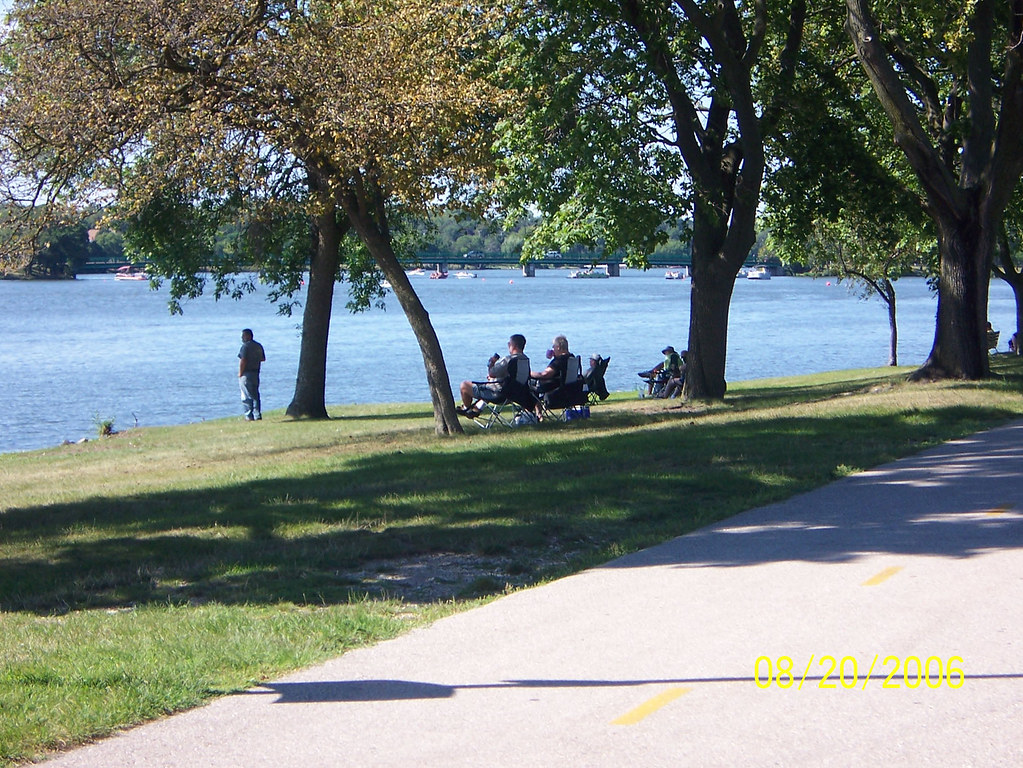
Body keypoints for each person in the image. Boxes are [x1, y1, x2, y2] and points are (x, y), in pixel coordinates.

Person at [456, 333, 530, 418]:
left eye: (509, 343)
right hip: (517, 394)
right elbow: (513, 377)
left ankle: (466, 409)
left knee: (464, 385)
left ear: (514, 346)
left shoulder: (509, 360)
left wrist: (492, 363)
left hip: (500, 395)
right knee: (490, 384)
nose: (508, 345)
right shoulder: (525, 360)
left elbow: (492, 373)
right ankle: (476, 409)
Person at [238, 328, 266, 421]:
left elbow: (243, 360)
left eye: (243, 336)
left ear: (248, 336)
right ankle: (257, 414)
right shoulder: (258, 346)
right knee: (255, 395)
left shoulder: (245, 346)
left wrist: (240, 373)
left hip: (247, 373)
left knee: (246, 396)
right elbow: (263, 358)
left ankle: (249, 416)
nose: (242, 338)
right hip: (256, 373)